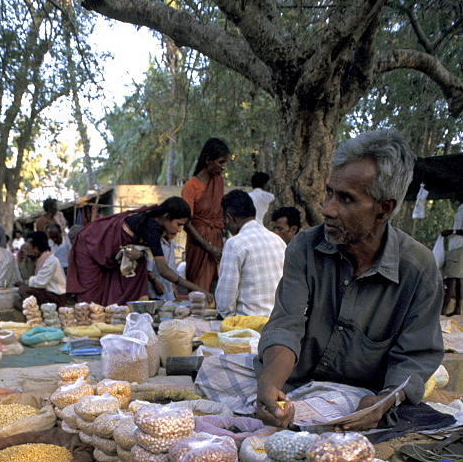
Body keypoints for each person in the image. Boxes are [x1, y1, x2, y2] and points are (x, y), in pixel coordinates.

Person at [196, 129, 444, 431]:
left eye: (346, 199)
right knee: (212, 369)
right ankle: (291, 409)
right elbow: (286, 325)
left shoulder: (418, 268)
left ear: (384, 208)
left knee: (341, 408)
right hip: (296, 375)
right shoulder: (304, 247)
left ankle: (303, 414)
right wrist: (271, 383)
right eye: (329, 193)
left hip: (358, 392)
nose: (327, 209)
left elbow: (415, 359)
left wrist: (384, 402)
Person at [65, 197, 201, 306]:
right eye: (179, 224)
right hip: (90, 246)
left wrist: (141, 254)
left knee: (136, 271)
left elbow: (143, 252)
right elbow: (163, 270)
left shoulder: (156, 225)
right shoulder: (151, 227)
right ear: (165, 216)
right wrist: (198, 289)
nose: (179, 230)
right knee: (90, 301)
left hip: (114, 256)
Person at [215, 189, 285, 318]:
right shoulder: (278, 241)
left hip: (248, 325)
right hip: (277, 322)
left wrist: (229, 319)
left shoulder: (235, 244)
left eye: (224, 220)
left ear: (229, 218)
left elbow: (225, 302)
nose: (224, 226)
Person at [181, 138, 229, 292]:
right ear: (208, 161)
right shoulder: (191, 186)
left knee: (221, 287)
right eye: (221, 162)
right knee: (199, 291)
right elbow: (187, 224)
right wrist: (208, 247)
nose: (223, 167)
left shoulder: (219, 181)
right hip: (199, 244)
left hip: (217, 240)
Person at [17, 230, 67, 307]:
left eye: (29, 247)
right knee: (17, 302)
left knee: (23, 290)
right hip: (47, 293)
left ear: (36, 248)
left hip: (56, 296)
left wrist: (26, 282)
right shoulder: (38, 259)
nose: (27, 249)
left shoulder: (50, 260)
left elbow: (40, 283)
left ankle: (36, 312)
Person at [434, 204, 463, 315]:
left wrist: (452, 232)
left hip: (458, 246)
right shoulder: (461, 207)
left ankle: (443, 310)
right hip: (456, 246)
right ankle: (457, 309)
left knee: (451, 277)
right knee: (457, 278)